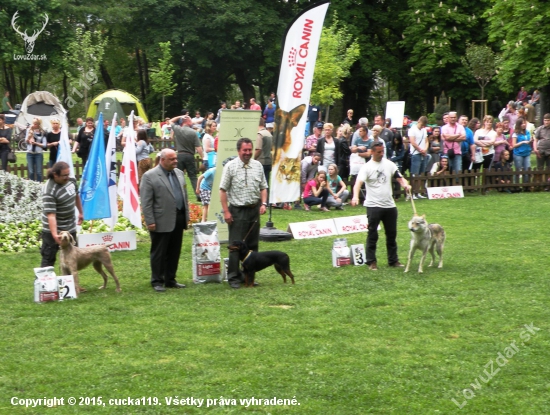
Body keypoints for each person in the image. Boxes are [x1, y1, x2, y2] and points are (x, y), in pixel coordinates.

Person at [351, 142, 411, 271]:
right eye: (378, 151)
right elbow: (358, 184)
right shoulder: (366, 167)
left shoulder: (389, 164)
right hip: (373, 206)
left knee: (391, 234)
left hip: (390, 206)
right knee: (372, 234)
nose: (381, 153)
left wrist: (405, 185)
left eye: (382, 151)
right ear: (372, 152)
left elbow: (399, 178)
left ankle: (393, 260)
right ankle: (371, 261)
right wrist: (355, 196)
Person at [219, 138, 268, 289]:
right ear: (238, 151)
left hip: (254, 210)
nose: (247, 153)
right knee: (235, 246)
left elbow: (263, 187)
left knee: (252, 245)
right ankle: (233, 277)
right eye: (244, 150)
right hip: (237, 211)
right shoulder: (230, 166)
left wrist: (264, 203)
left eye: (249, 150)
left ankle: (248, 276)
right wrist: (226, 211)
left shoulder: (258, 165)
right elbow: (222, 190)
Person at [140, 149, 190, 292]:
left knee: (174, 251)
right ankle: (157, 280)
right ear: (162, 160)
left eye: (176, 158)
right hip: (160, 220)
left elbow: (184, 195)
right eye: (172, 159)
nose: (175, 161)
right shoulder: (150, 176)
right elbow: (146, 202)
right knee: (159, 252)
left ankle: (170, 279)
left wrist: (186, 216)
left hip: (178, 218)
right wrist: (150, 221)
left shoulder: (179, 173)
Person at [41, 161, 84, 269]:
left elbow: (76, 196)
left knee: (72, 257)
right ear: (55, 175)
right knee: (48, 258)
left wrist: (81, 213)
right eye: (64, 175)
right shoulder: (49, 190)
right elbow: (51, 215)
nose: (67, 177)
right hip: (53, 230)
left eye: (68, 174)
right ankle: (45, 284)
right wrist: (55, 235)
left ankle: (71, 284)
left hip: (70, 227)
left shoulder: (71, 181)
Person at [169, 114, 204, 199]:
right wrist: (203, 157)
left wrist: (180, 116)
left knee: (178, 176)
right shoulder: (193, 132)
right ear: (187, 122)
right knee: (192, 176)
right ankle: (198, 194)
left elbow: (170, 121)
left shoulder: (178, 129)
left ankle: (177, 195)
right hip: (189, 156)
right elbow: (198, 147)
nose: (192, 122)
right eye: (191, 120)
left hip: (180, 155)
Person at [408, 116, 430, 199]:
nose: (422, 126)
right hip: (415, 154)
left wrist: (425, 149)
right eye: (421, 124)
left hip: (423, 154)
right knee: (415, 174)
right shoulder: (412, 129)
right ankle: (413, 193)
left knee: (421, 174)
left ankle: (418, 192)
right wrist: (420, 150)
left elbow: (426, 141)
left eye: (423, 125)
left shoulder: (424, 130)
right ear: (419, 121)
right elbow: (413, 142)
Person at [442, 111, 466, 180]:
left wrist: (451, 138)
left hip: (457, 152)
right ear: (448, 118)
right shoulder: (444, 127)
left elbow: (464, 137)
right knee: (447, 169)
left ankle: (457, 185)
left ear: (457, 118)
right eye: (451, 117)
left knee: (458, 170)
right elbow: (446, 138)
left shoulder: (460, 127)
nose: (453, 119)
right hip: (447, 151)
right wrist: (458, 135)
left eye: (454, 117)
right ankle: (447, 185)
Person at [512, 118, 532, 186]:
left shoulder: (528, 132)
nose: (523, 125)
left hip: (527, 153)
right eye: (522, 123)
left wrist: (531, 140)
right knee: (518, 170)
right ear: (519, 125)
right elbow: (514, 145)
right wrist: (522, 142)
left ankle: (526, 185)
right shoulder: (515, 133)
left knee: (527, 169)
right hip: (518, 154)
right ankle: (516, 185)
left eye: (524, 123)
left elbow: (529, 140)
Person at [26, 117, 47, 182]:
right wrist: (30, 135)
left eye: (35, 124)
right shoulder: (29, 130)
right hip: (30, 153)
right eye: (33, 123)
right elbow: (26, 141)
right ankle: (31, 186)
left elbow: (44, 145)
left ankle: (39, 186)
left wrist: (36, 143)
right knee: (31, 172)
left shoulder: (43, 132)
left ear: (38, 124)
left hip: (38, 153)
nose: (33, 125)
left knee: (39, 172)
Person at [255, 118, 273, 186]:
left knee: (259, 185)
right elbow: (271, 148)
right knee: (266, 184)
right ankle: (266, 196)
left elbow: (258, 149)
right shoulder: (269, 134)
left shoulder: (259, 134)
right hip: (268, 162)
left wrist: (252, 159)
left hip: (261, 162)